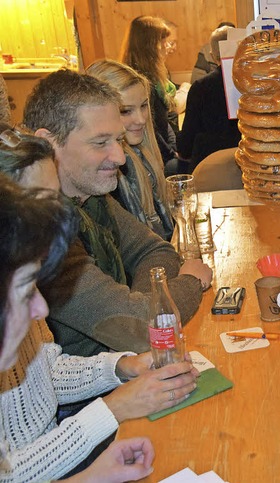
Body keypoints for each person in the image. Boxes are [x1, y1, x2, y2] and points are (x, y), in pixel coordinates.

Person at [0, 174, 196, 481]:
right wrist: (111, 410)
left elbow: (46, 371)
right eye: (26, 290)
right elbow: (10, 474)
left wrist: (122, 367)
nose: (41, 309)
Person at [22, 69, 212, 357]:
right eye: (100, 143)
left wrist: (145, 306)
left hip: (125, 371)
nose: (120, 157)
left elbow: (155, 251)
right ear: (48, 143)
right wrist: (190, 282)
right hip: (86, 397)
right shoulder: (36, 230)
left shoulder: (88, 194)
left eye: (119, 140)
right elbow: (142, 330)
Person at [86, 59, 174, 241]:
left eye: (143, 106)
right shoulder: (102, 174)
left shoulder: (145, 152)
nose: (141, 119)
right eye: (126, 111)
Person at [120, 16, 184, 174]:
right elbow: (151, 128)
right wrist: (171, 155)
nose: (166, 46)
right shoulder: (140, 81)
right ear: (149, 45)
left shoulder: (155, 75)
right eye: (162, 41)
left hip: (163, 151)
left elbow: (163, 122)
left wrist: (175, 149)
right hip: (149, 156)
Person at [178, 25, 241, 173]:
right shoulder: (255, 83)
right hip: (249, 165)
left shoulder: (201, 87)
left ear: (213, 56)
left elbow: (186, 145)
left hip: (206, 168)